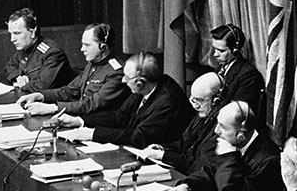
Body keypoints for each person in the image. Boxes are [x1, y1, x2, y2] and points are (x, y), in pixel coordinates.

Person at [49, 51, 193, 148]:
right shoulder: (146, 86)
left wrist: (93, 134)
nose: (123, 80)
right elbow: (119, 116)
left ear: (140, 82)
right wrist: (80, 120)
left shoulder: (168, 101)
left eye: (127, 77)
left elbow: (139, 136)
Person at [159, 101, 283, 191]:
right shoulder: (237, 144)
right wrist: (188, 185)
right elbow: (213, 172)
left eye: (222, 127)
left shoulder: (268, 160)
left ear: (241, 135)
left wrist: (228, 157)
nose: (216, 130)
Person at [17, 23, 129, 117]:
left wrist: (53, 108)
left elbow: (92, 104)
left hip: (98, 126)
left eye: (87, 45)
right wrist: (40, 96)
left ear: (103, 47)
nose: (82, 49)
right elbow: (69, 91)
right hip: (80, 119)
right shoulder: (93, 64)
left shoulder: (117, 72)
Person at [139, 72, 225, 174]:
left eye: (200, 101)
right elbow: (183, 143)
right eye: (193, 99)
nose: (195, 106)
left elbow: (197, 165)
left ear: (217, 101)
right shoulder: (203, 113)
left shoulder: (224, 125)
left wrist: (161, 156)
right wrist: (162, 149)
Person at [3, 7, 74, 93]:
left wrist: (24, 83)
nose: (12, 39)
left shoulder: (52, 53)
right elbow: (9, 68)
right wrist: (19, 77)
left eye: (17, 33)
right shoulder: (24, 48)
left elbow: (43, 86)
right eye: (11, 33)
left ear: (32, 32)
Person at [210, 24, 264, 117]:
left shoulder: (249, 75)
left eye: (221, 51)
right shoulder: (220, 68)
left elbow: (237, 113)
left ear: (235, 50)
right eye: (215, 49)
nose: (215, 54)